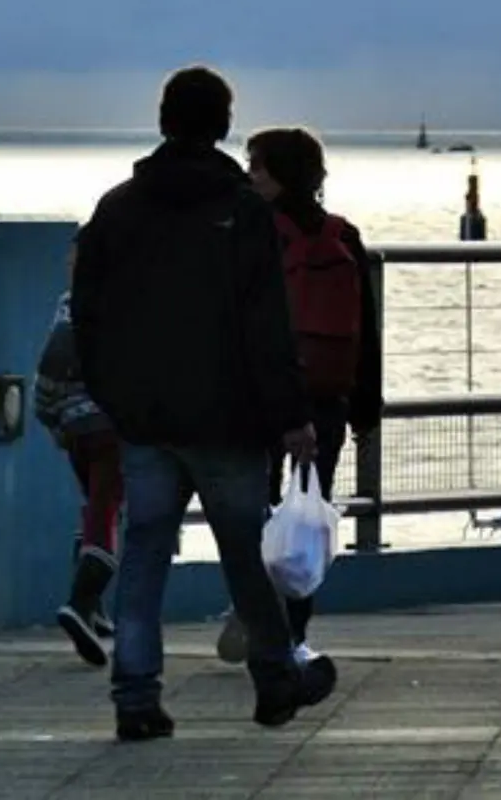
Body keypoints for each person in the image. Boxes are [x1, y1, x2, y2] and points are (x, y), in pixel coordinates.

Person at [72, 65, 336, 741]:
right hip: (228, 420)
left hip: (146, 420)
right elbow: (267, 327)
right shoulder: (243, 213)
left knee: (145, 552)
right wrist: (292, 417)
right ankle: (274, 678)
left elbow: (88, 315)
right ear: (223, 124)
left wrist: (115, 395)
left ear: (164, 120)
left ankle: (136, 695)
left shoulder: (118, 208)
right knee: (245, 554)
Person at [213, 127, 383, 664]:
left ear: (280, 175)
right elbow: (367, 328)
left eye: (257, 167)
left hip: (260, 395)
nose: (249, 176)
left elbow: (233, 318)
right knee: (308, 515)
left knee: (252, 509)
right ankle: (295, 631)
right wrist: (366, 404)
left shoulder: (253, 231)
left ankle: (253, 608)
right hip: (328, 394)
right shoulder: (342, 234)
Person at [34, 234, 122, 667]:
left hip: (75, 429)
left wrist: (48, 415)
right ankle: (80, 604)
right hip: (112, 427)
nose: (68, 266)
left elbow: (51, 364)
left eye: (73, 259)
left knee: (95, 507)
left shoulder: (71, 304)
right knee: (105, 511)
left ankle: (94, 609)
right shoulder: (126, 302)